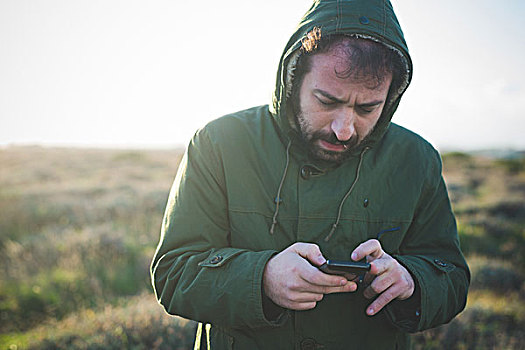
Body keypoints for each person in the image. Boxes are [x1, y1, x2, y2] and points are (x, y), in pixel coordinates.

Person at [151, 0, 470, 348]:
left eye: (367, 108)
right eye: (326, 100)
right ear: (293, 77)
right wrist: (261, 278)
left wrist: (412, 282)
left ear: (391, 96)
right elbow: (173, 272)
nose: (344, 129)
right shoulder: (218, 143)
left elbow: (452, 277)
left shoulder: (417, 159)